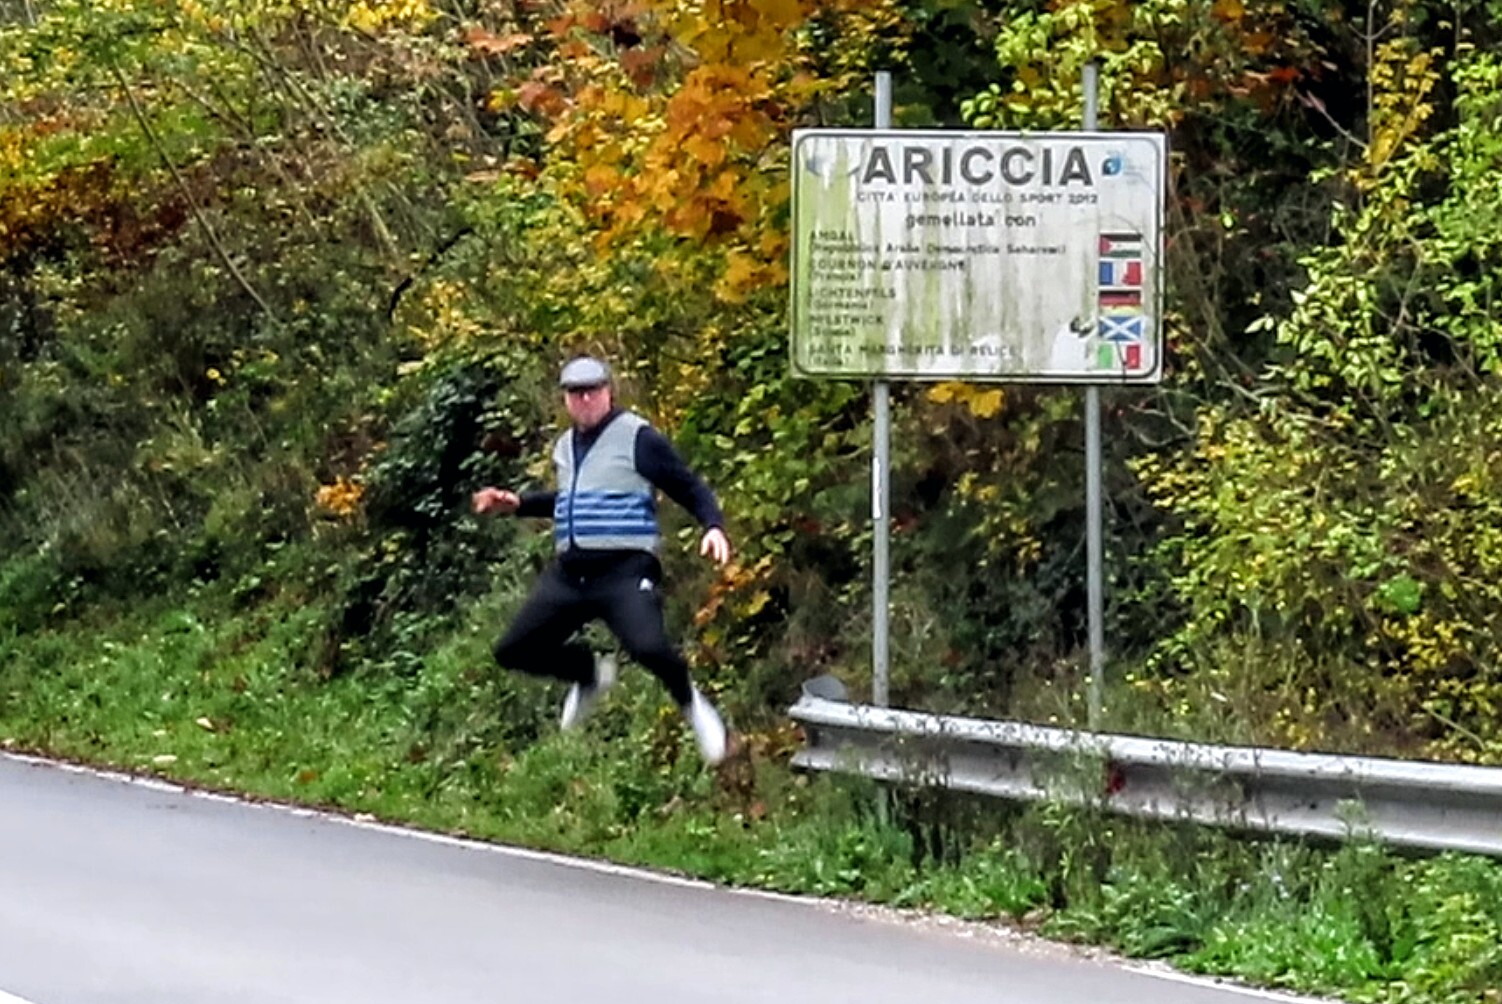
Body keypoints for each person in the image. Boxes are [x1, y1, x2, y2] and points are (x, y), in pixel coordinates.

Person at [471, 355, 733, 765]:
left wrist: (712, 525)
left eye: (593, 390)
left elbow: (686, 484)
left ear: (608, 392)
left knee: (648, 646)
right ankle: (589, 673)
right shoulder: (564, 446)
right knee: (513, 649)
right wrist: (518, 503)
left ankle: (693, 704)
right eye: (576, 393)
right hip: (571, 575)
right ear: (566, 399)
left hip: (624, 570)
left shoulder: (638, 438)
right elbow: (572, 501)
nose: (585, 399)